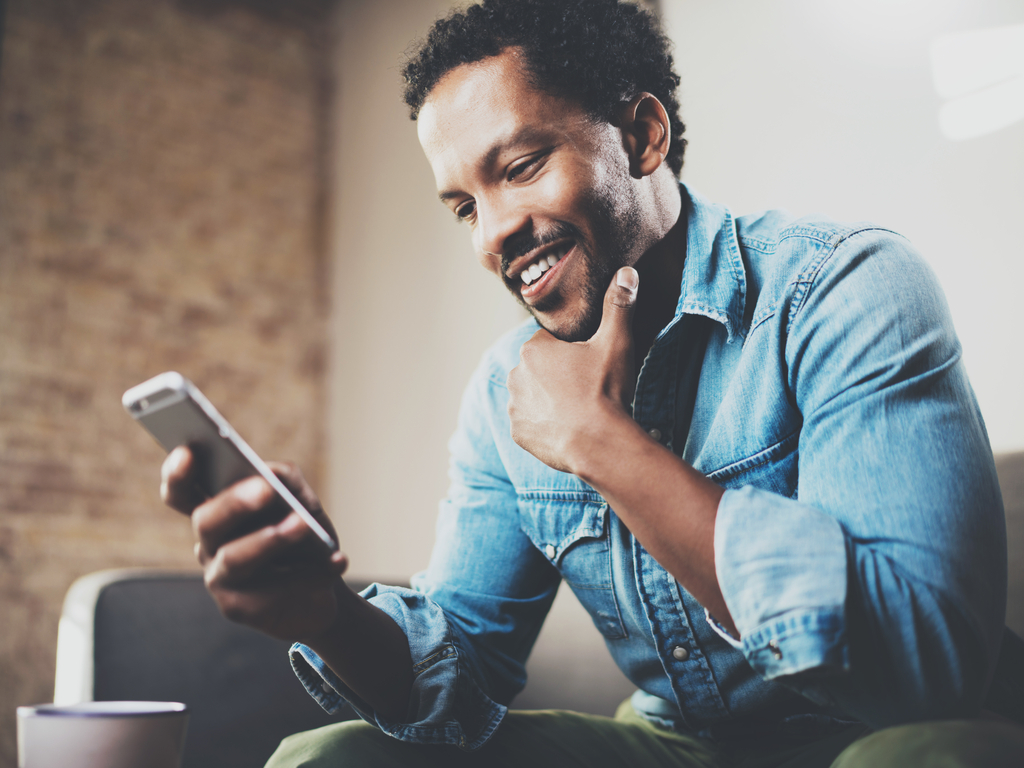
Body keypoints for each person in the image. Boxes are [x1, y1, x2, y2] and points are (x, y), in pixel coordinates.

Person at [161, 0, 1024, 765]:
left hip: (884, 733)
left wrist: (604, 444)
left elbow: (922, 672)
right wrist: (326, 613)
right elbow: (457, 681)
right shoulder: (506, 394)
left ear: (644, 136)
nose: (493, 234)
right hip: (686, 745)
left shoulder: (845, 287)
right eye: (464, 205)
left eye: (522, 166)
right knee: (331, 757)